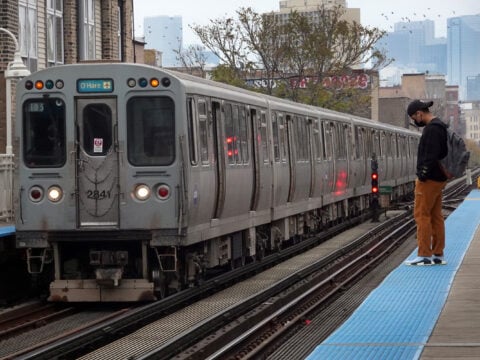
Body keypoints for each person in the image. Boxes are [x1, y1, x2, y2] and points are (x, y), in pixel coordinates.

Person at [405, 100, 448, 266]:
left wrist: (422, 174)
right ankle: (438, 253)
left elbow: (430, 155)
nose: (415, 121)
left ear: (419, 113)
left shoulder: (431, 130)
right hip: (439, 179)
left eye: (414, 117)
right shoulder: (441, 127)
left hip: (429, 180)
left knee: (422, 215)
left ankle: (424, 254)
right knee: (436, 216)